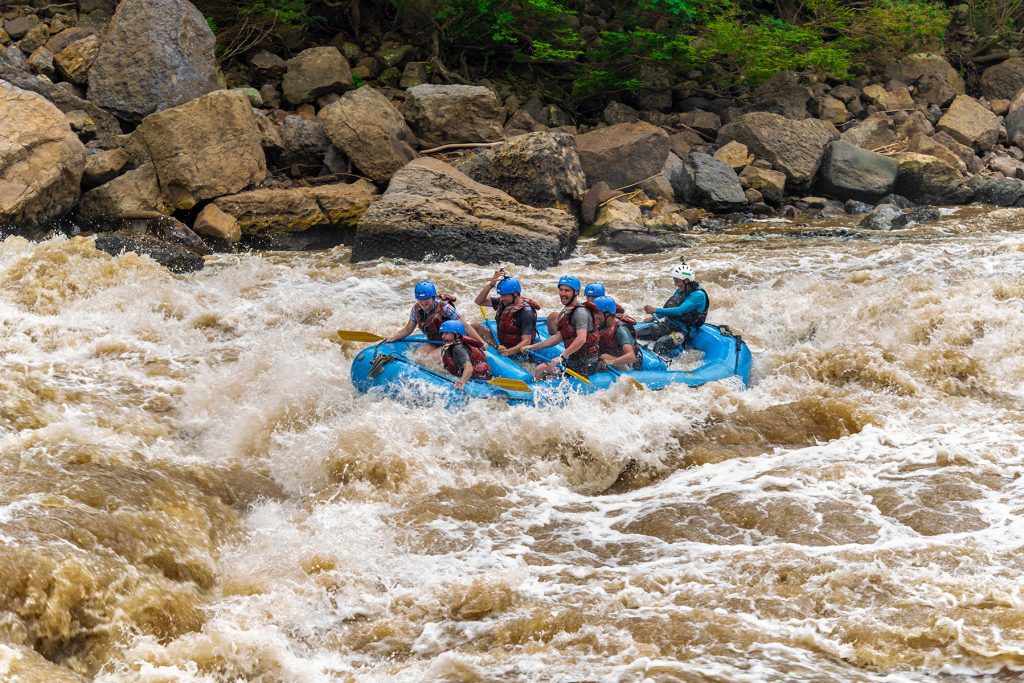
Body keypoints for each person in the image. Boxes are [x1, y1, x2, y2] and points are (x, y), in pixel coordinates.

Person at [524, 275, 600, 379]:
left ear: (576, 292)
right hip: (575, 359)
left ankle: (536, 388)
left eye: (567, 290)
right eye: (561, 290)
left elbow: (581, 339)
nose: (563, 293)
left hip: (587, 363)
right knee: (544, 370)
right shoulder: (567, 311)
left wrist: (562, 356)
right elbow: (558, 337)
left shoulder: (580, 313)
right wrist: (533, 347)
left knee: (540, 369)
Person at [638, 263, 709, 355]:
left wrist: (655, 310)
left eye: (677, 281)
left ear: (687, 280)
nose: (675, 284)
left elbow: (679, 311)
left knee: (660, 345)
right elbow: (671, 308)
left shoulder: (698, 296)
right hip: (669, 325)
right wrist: (654, 317)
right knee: (636, 333)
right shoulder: (680, 290)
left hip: (683, 332)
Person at [384, 280, 484, 345]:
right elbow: (408, 329)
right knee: (421, 353)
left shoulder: (444, 307)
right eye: (420, 299)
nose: (423, 302)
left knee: (430, 356)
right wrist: (392, 338)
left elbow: (464, 325)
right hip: (436, 341)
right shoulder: (416, 309)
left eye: (426, 299)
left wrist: (481, 342)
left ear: (433, 297)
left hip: (453, 340)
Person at [473, 270, 539, 357]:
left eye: (504, 295)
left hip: (516, 349)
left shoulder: (526, 312)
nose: (501, 298)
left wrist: (508, 352)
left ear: (515, 294)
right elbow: (479, 301)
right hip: (501, 342)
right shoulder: (504, 302)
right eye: (501, 295)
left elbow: (526, 341)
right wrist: (491, 285)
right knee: (474, 327)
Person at [593, 295, 642, 371]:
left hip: (628, 364)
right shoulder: (602, 325)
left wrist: (612, 361)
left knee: (604, 356)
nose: (595, 316)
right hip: (611, 357)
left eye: (597, 313)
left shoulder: (620, 329)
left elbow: (631, 356)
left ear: (607, 314)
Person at [439, 320, 492, 390]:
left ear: (457, 335)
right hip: (482, 374)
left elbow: (469, 367)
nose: (443, 336)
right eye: (442, 333)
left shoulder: (457, 348)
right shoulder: (462, 343)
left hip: (477, 379)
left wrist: (461, 382)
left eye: (446, 333)